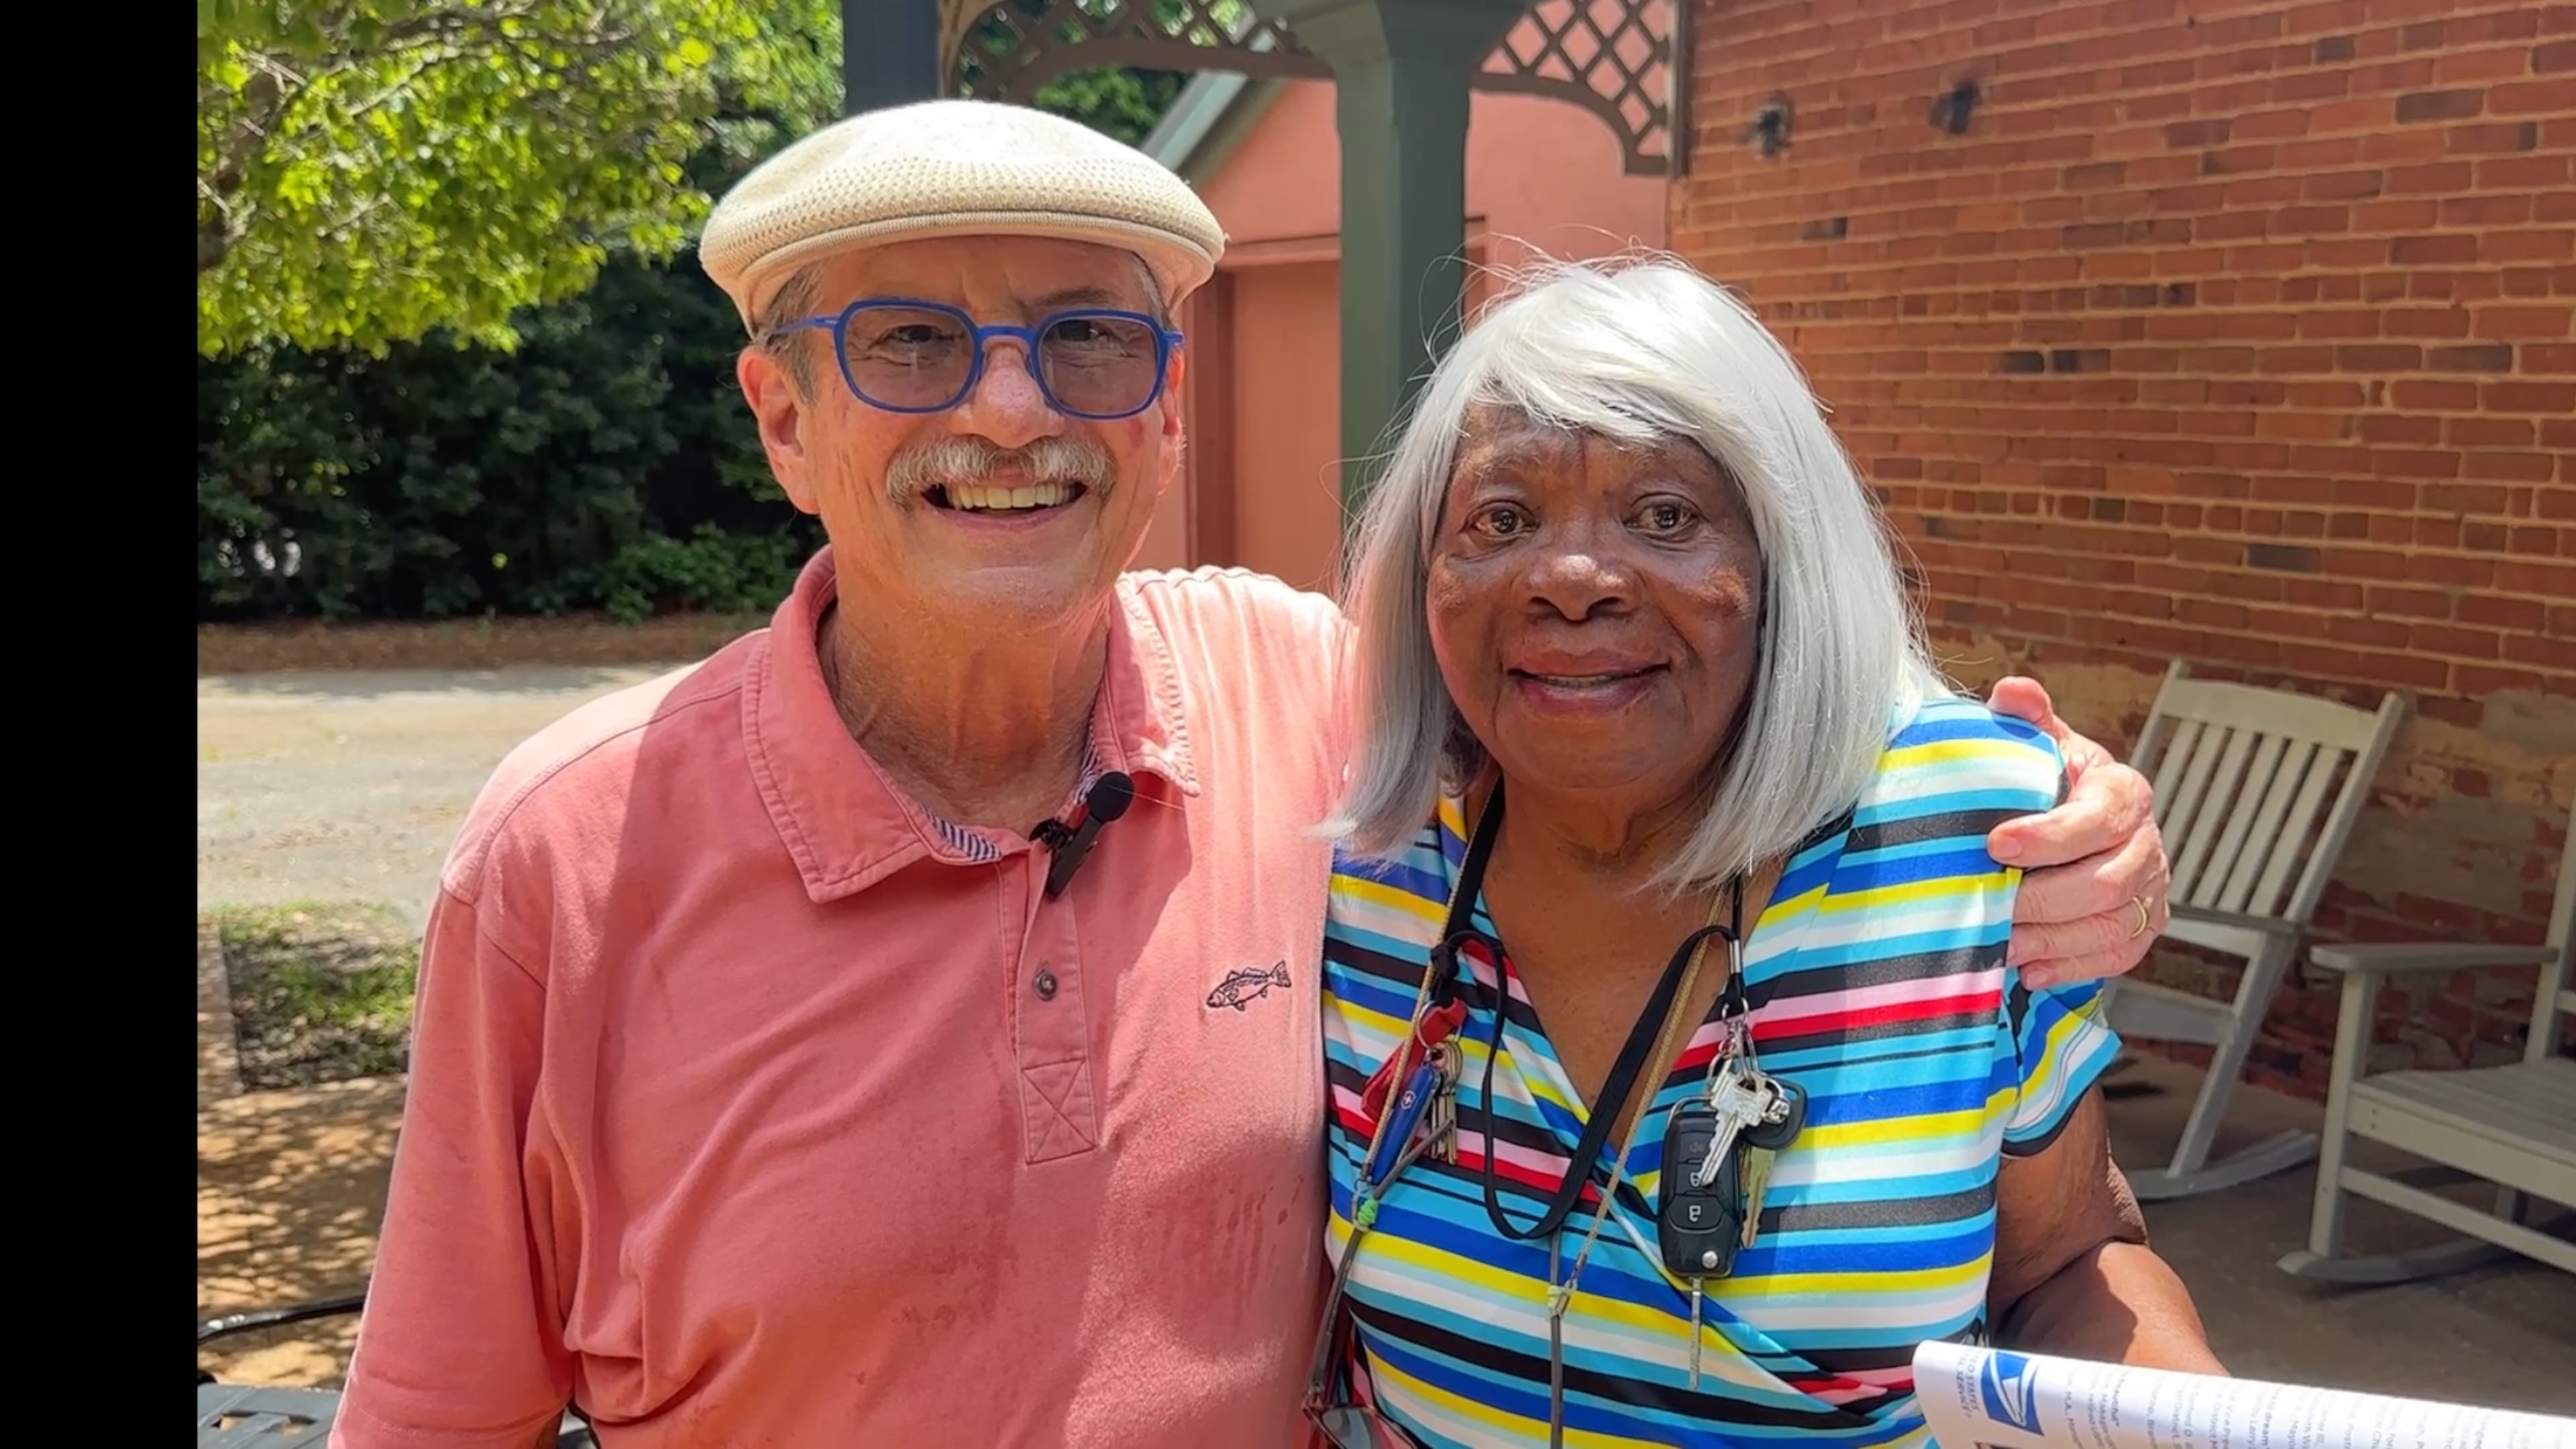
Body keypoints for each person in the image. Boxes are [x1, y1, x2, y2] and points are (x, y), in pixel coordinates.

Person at [331, 100, 2175, 1448]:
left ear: (1164, 407)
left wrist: (2050, 804)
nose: (1007, 409)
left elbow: (1651, 665)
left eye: (1085, 338)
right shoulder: (570, 859)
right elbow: (438, 1415)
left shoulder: (1305, 710)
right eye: (908, 344)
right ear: (783, 418)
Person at [1307, 256, 2220, 1449]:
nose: (1571, 581)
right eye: (1501, 519)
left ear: (1784, 559)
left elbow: (2064, 1262)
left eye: (1665, 515)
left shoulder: (1969, 839)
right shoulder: (1366, 868)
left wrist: (2198, 1423)